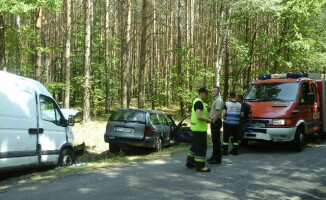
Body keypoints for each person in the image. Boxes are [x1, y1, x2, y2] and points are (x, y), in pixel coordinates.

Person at [186, 87, 212, 172]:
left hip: (196, 129)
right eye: (206, 93)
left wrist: (207, 117)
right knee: (201, 148)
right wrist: (207, 120)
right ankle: (200, 166)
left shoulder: (197, 102)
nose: (207, 95)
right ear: (201, 93)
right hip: (199, 130)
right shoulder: (199, 103)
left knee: (194, 147)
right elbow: (199, 116)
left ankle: (190, 162)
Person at [207, 86, 223, 164]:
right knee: (214, 140)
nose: (213, 92)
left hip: (216, 122)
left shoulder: (219, 100)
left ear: (218, 92)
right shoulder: (215, 100)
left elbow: (218, 113)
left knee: (216, 141)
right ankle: (214, 156)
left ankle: (218, 159)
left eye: (214, 91)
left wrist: (213, 121)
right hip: (214, 121)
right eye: (212, 91)